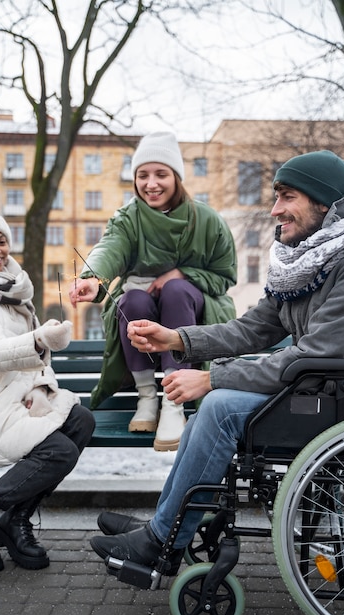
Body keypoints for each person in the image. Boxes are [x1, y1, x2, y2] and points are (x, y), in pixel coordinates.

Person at [89, 149, 344, 572]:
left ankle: (162, 541)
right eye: (275, 197)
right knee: (210, 412)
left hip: (336, 400)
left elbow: (316, 356)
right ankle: (166, 522)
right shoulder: (305, 260)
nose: (274, 210)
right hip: (314, 390)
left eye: (287, 197)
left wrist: (212, 379)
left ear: (325, 203)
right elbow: (251, 329)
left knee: (219, 407)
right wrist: (176, 338)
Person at [0, 204, 95, 575]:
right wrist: (40, 339)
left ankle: (15, 520)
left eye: (1, 241)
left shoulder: (14, 292)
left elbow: (37, 363)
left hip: (15, 401)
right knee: (57, 452)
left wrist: (41, 388)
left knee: (81, 422)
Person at [69, 131, 237, 452]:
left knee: (175, 290)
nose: (151, 183)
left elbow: (224, 277)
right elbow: (110, 247)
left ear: (176, 177)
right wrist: (93, 278)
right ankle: (147, 398)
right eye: (142, 175)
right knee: (131, 297)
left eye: (161, 174)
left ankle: (173, 404)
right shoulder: (128, 218)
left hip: (192, 314)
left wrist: (182, 273)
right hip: (141, 312)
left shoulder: (207, 220)